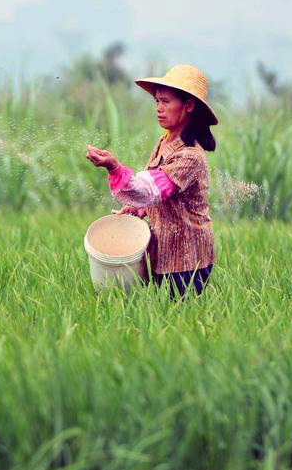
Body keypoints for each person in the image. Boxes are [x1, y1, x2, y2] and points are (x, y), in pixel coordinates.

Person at [85, 64, 218, 299]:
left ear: (188, 106)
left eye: (166, 102)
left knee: (179, 322)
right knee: (159, 320)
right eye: (157, 101)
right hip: (163, 253)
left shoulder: (190, 156)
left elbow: (150, 190)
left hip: (186, 260)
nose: (159, 108)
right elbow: (160, 195)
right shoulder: (164, 141)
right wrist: (142, 208)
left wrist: (113, 167)